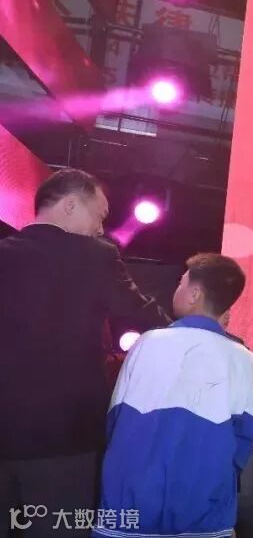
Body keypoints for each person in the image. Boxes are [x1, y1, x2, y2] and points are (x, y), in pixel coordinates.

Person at [0, 168, 171, 534]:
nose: (100, 227)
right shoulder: (95, 256)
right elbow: (143, 316)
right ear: (70, 205)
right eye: (99, 215)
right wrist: (200, 335)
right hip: (64, 438)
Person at [93, 253, 253, 538]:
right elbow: (245, 437)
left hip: (130, 507)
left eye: (181, 283)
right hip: (205, 515)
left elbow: (114, 420)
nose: (177, 288)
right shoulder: (241, 358)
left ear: (195, 294)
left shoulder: (147, 344)